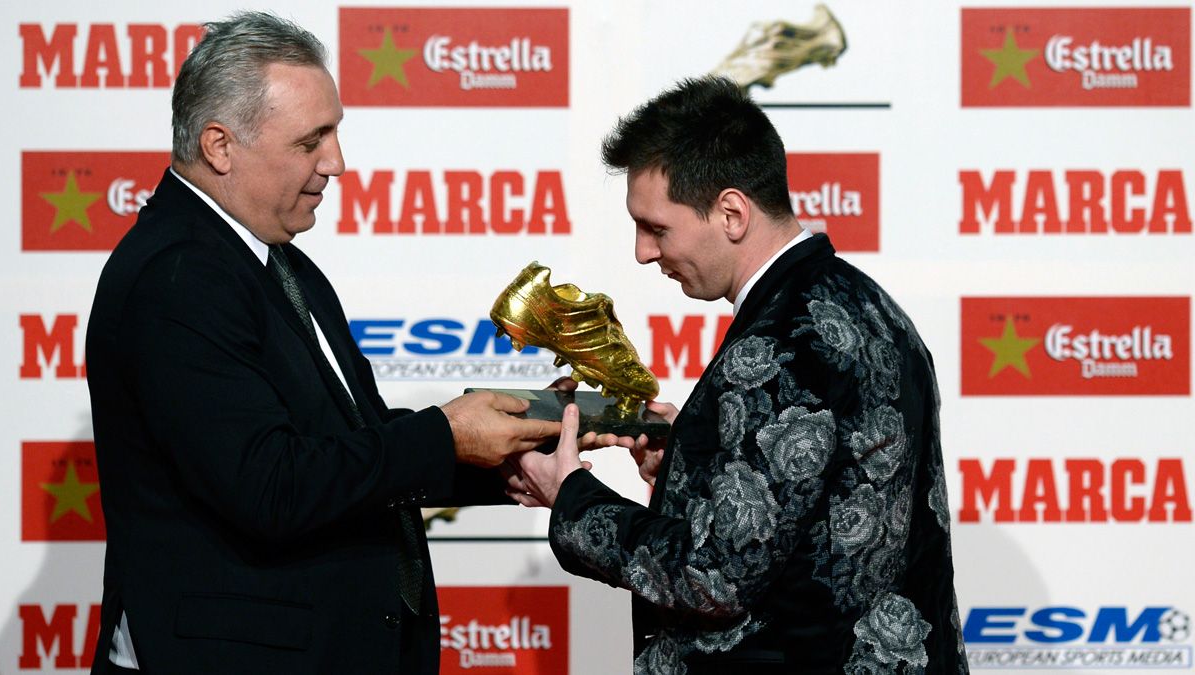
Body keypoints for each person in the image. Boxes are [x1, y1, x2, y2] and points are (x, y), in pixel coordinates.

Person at [85, 12, 560, 674]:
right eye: (313, 140)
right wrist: (444, 436)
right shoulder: (178, 277)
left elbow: (343, 449)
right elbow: (270, 484)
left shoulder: (276, 261)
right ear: (220, 146)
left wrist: (517, 447)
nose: (337, 163)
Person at [507, 76, 968, 673]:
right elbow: (810, 514)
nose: (643, 252)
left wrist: (570, 494)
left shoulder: (779, 344)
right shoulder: (870, 306)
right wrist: (689, 465)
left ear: (730, 212)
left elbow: (714, 577)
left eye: (657, 228)